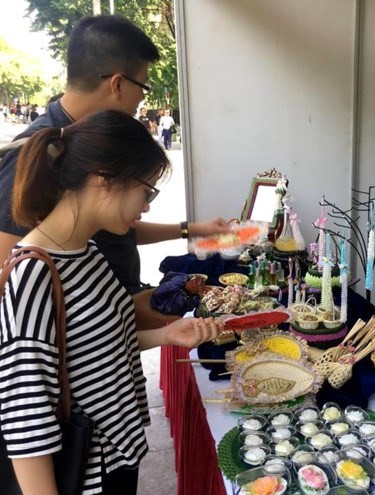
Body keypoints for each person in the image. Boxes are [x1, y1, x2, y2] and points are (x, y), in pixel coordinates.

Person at [0, 110, 224, 495]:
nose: (148, 205)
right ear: (104, 180)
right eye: (146, 190)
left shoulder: (85, 251)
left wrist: (167, 335)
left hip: (115, 456)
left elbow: (97, 347)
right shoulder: (34, 275)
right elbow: (25, 425)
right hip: (86, 473)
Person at [0, 15, 228, 328]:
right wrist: (105, 326)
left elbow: (118, 226)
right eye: (143, 87)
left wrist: (190, 229)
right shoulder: (36, 153)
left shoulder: (92, 146)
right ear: (118, 83)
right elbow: (9, 276)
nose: (141, 101)